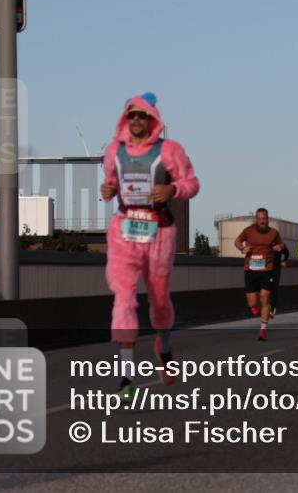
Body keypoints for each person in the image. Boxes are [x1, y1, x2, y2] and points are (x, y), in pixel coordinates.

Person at [100, 92, 199, 399]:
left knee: (158, 298)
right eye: (132, 115)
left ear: (152, 119)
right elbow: (111, 185)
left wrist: (172, 188)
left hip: (159, 230)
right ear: (125, 119)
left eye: (142, 116)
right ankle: (127, 375)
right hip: (124, 229)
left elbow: (192, 183)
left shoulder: (169, 150)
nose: (137, 121)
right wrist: (107, 189)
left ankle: (164, 347)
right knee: (124, 298)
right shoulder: (113, 151)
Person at [234, 208, 284, 341]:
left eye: (264, 218)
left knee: (265, 296)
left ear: (268, 219)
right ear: (256, 219)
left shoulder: (274, 232)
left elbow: (281, 244)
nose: (262, 221)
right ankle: (257, 308)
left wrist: (279, 247)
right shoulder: (248, 231)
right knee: (252, 303)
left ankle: (263, 329)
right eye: (260, 218)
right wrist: (242, 248)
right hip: (250, 269)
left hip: (267, 269)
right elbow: (237, 241)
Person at [270, 242, 289, 317]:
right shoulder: (263, 243)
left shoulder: (280, 244)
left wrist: (284, 260)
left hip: (275, 269)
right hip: (264, 268)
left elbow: (286, 253)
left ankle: (272, 307)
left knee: (273, 288)